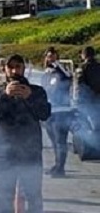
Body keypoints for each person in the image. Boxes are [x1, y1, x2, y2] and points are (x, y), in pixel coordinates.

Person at [0, 54, 51, 213]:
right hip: (5, 153)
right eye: (11, 67)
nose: (15, 71)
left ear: (24, 68)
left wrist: (29, 97)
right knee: (4, 196)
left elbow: (45, 114)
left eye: (18, 67)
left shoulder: (36, 91)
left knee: (34, 197)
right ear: (5, 70)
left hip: (30, 152)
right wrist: (5, 95)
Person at [40, 47, 73, 177]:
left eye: (53, 56)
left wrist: (57, 65)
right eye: (48, 56)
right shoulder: (47, 73)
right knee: (54, 141)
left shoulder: (61, 70)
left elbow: (68, 77)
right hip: (50, 111)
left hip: (62, 111)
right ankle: (57, 164)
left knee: (60, 141)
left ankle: (61, 168)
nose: (50, 58)